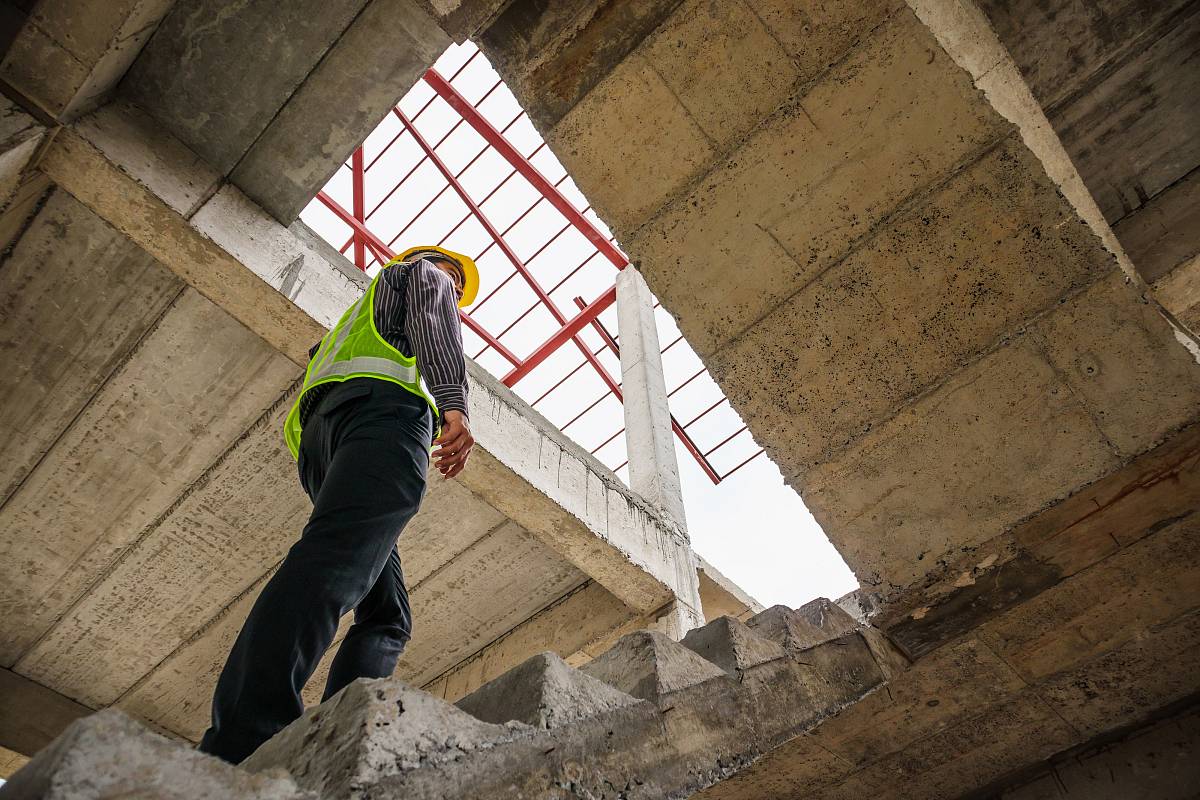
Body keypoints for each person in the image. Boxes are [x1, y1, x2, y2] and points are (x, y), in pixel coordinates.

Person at [198, 245, 480, 764]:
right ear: (428, 263)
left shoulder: (353, 325)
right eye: (455, 280)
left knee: (388, 614)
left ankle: (338, 737)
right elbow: (433, 311)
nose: (455, 291)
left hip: (323, 445)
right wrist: (453, 404)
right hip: (381, 418)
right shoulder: (421, 276)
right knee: (331, 563)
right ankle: (246, 736)